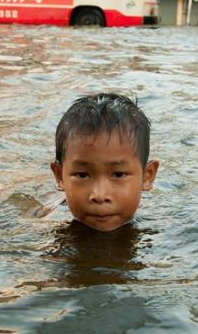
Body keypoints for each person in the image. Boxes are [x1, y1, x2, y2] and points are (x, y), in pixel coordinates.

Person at [50, 93, 159, 232]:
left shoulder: (162, 226)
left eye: (118, 174)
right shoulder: (47, 228)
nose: (100, 195)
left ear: (147, 176)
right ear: (60, 176)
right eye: (83, 175)